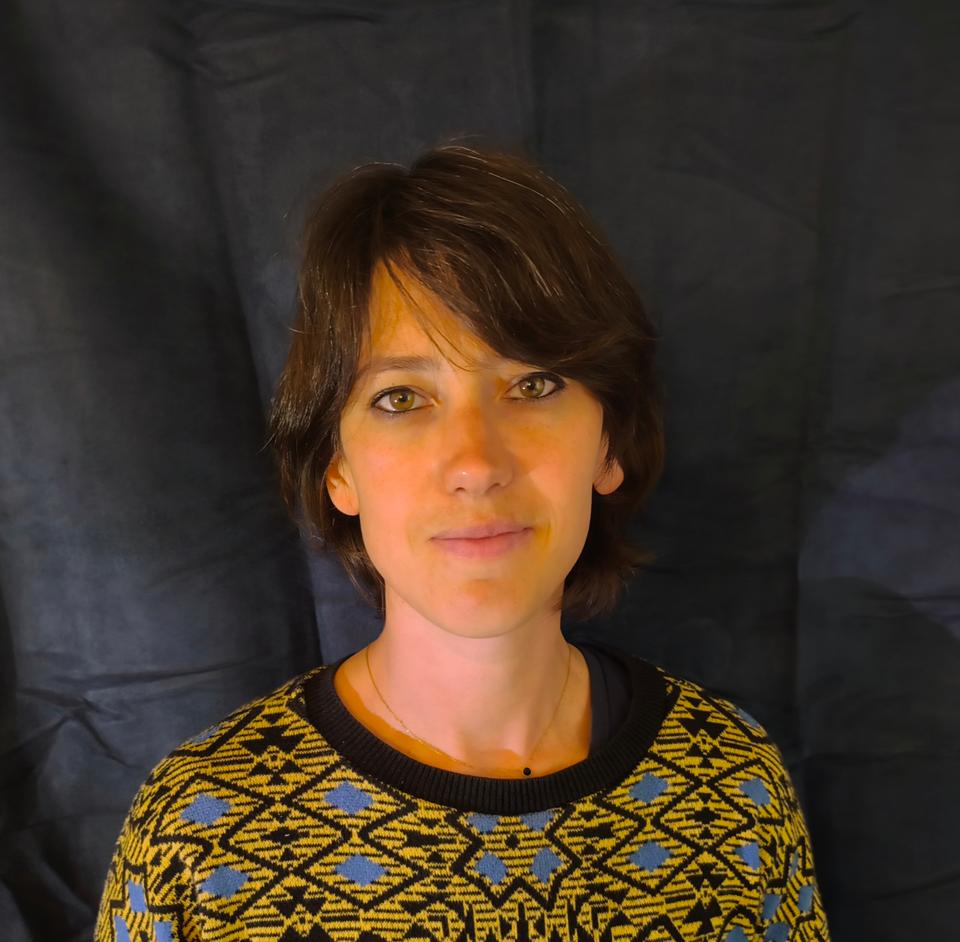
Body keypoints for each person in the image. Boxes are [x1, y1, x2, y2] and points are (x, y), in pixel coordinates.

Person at [96, 141, 831, 940]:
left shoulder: (731, 788)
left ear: (609, 443)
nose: (476, 464)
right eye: (401, 398)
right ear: (337, 468)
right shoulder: (202, 832)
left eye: (533, 385)